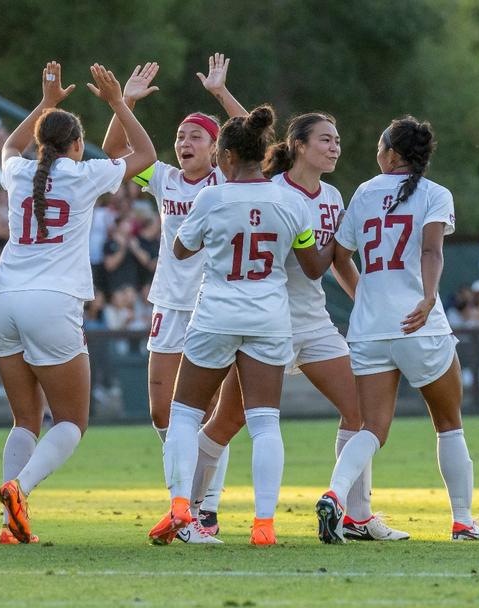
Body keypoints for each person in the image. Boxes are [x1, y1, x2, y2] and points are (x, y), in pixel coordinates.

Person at [147, 104, 330, 546]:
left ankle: (179, 507)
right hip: (269, 316)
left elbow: (182, 248)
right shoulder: (289, 200)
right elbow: (310, 264)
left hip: (216, 313)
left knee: (186, 415)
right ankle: (264, 524)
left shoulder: (212, 197)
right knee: (265, 422)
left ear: (225, 157)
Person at [0, 62, 156, 544]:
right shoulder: (84, 176)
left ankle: (10, 525)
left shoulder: (21, 171)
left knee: (25, 419)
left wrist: (45, 104)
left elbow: (8, 146)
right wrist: (119, 102)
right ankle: (18, 490)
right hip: (53, 301)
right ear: (77, 145)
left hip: (4, 298)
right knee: (71, 421)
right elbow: (144, 153)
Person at [316, 116, 479, 543]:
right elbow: (432, 250)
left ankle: (334, 496)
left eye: (381, 147)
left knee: (371, 429)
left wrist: (365, 297)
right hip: (420, 324)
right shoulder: (435, 194)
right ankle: (463, 521)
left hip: (370, 328)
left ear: (392, 155)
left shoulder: (362, 192)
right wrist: (430, 296)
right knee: (449, 423)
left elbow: (340, 257)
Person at [97, 55, 246, 539]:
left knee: (207, 415)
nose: (183, 142)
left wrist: (221, 95)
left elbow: (254, 140)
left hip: (215, 304)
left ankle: (204, 511)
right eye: (180, 136)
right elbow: (114, 151)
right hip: (169, 301)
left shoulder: (230, 181)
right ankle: (183, 500)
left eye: (194, 136)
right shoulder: (163, 178)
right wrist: (127, 103)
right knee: (163, 412)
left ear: (216, 146)